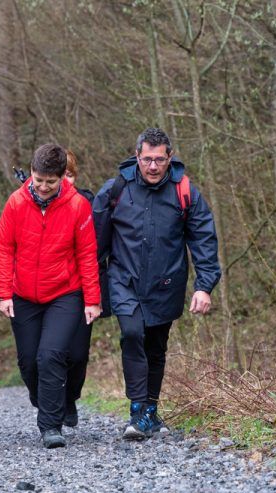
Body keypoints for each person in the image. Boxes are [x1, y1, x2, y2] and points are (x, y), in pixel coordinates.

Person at [94, 127, 221, 440]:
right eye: (147, 159)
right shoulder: (116, 189)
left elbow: (204, 240)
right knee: (133, 334)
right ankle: (138, 410)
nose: (153, 166)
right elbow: (94, 244)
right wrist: (92, 291)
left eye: (159, 160)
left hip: (167, 282)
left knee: (155, 345)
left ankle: (151, 408)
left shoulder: (185, 191)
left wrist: (204, 286)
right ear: (137, 156)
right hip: (124, 280)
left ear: (170, 158)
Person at [0, 143, 101, 449]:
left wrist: (92, 299)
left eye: (50, 182)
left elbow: (87, 254)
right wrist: (4, 293)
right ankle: (47, 399)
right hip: (24, 293)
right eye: (37, 180)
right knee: (29, 362)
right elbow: (3, 248)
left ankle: (50, 425)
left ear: (62, 179)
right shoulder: (15, 203)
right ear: (31, 173)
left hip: (65, 293)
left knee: (51, 355)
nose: (42, 187)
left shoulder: (78, 205)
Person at [62, 149, 94, 427]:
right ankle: (50, 401)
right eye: (61, 176)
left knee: (78, 353)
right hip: (47, 290)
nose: (66, 182)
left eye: (70, 175)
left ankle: (71, 396)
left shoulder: (87, 203)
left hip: (81, 288)